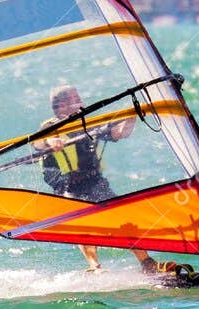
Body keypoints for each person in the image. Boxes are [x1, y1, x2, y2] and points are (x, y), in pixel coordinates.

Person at [38, 83, 160, 273]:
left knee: (123, 218)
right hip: (67, 186)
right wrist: (51, 141)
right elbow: (38, 142)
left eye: (78, 97)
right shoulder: (50, 126)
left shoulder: (88, 122)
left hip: (94, 180)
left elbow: (119, 133)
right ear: (60, 106)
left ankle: (146, 262)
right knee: (85, 225)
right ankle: (95, 267)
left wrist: (132, 117)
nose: (79, 102)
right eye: (73, 99)